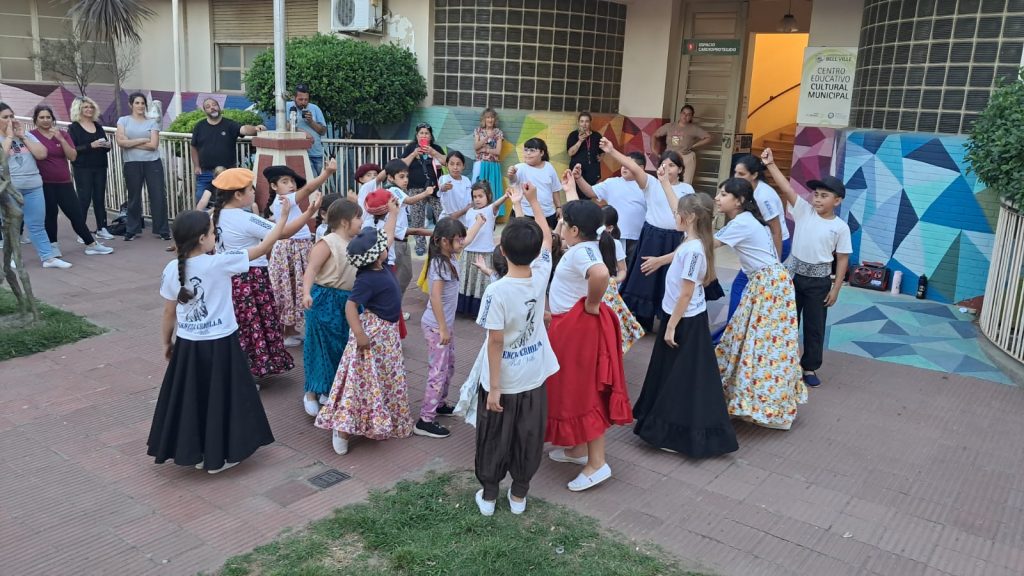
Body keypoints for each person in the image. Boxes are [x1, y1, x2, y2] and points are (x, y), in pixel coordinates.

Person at [148, 202, 292, 473]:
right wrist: (282, 218)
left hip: (188, 346)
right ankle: (222, 456)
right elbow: (263, 247)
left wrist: (167, 343)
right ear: (203, 238)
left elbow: (169, 312)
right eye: (214, 232)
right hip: (222, 344)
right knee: (225, 397)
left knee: (195, 398)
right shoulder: (220, 262)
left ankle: (201, 452)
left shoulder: (171, 269)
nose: (216, 236)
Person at [456, 184, 559, 516]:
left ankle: (489, 495)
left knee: (495, 436)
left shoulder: (496, 291)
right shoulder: (541, 273)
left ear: (501, 251)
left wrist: (495, 388)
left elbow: (496, 341)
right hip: (534, 374)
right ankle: (519, 494)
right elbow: (546, 238)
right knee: (528, 435)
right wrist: (531, 203)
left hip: (503, 380)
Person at [545, 172, 632, 492]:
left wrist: (593, 303)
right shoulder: (588, 242)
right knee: (577, 388)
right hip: (577, 326)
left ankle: (597, 463)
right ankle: (579, 449)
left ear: (573, 230)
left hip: (576, 328)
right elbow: (580, 218)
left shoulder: (582, 252)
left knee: (583, 391)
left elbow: (600, 274)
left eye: (562, 222)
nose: (560, 226)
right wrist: (571, 190)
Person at [633, 193, 738, 457]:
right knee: (672, 374)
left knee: (681, 379)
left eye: (677, 213)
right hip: (679, 316)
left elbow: (686, 293)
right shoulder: (691, 241)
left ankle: (675, 434)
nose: (674, 216)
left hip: (685, 321)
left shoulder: (694, 249)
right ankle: (661, 425)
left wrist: (671, 326)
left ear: (689, 217)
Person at [315, 203, 414, 455]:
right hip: (373, 334)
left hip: (388, 334)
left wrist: (393, 214)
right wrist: (360, 334)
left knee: (385, 377)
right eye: (383, 247)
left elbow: (388, 236)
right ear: (376, 254)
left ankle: (382, 418)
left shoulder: (381, 265)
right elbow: (351, 306)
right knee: (362, 381)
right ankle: (342, 429)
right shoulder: (367, 278)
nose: (387, 247)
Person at [713, 178, 805, 430]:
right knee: (752, 341)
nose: (718, 198)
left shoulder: (742, 222)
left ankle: (767, 408)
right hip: (769, 283)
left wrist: (668, 255)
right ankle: (750, 402)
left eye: (724, 194)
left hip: (769, 286)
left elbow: (709, 245)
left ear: (739, 201)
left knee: (763, 346)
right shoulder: (748, 220)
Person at [211, 167, 319, 379]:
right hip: (251, 278)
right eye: (250, 189)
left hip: (226, 277)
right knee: (254, 325)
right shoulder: (245, 219)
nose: (254, 192)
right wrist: (308, 213)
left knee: (238, 325)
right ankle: (250, 371)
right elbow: (283, 232)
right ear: (238, 194)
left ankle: (237, 371)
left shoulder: (215, 215)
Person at [763, 148, 851, 388]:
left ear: (837, 201)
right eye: (816, 194)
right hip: (792, 277)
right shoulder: (803, 211)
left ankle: (809, 367)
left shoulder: (840, 227)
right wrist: (771, 164)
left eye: (824, 196)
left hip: (818, 283)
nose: (818, 199)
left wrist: (836, 288)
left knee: (814, 327)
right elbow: (787, 189)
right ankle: (782, 362)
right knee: (787, 321)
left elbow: (842, 259)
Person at [611, 143, 694, 333]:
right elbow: (632, 167)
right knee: (645, 277)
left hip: (675, 238)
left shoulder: (687, 189)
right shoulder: (651, 183)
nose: (667, 168)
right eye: (663, 164)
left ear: (680, 169)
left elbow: (689, 216)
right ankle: (643, 319)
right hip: (652, 237)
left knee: (670, 278)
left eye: (672, 165)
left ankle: (667, 318)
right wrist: (611, 151)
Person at [711, 154, 791, 342]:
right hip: (769, 267)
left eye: (742, 174)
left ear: (754, 175)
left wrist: (776, 262)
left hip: (777, 248)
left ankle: (731, 335)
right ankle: (734, 334)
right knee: (747, 293)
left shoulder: (762, 196)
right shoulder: (747, 208)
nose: (736, 177)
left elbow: (776, 230)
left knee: (742, 289)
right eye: (735, 173)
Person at [415, 216, 481, 439]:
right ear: (444, 241)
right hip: (437, 326)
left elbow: (467, 240)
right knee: (438, 372)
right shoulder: (440, 264)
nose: (462, 242)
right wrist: (443, 328)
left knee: (448, 367)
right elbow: (434, 297)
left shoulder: (450, 255)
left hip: (443, 325)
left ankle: (439, 404)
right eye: (458, 239)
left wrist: (480, 222)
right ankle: (425, 420)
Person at [264, 159, 337, 347]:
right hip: (291, 250)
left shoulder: (285, 201)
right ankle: (286, 331)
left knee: (294, 288)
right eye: (285, 181)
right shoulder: (284, 200)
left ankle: (291, 330)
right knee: (290, 288)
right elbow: (308, 189)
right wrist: (326, 173)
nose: (291, 185)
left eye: (292, 181)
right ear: (274, 186)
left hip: (298, 248)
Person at [301, 198, 362, 416]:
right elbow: (311, 269)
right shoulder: (327, 242)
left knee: (342, 347)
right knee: (319, 346)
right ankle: (311, 391)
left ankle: (329, 388)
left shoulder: (357, 242)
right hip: (325, 298)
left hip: (349, 301)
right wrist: (306, 293)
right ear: (345, 221)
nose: (361, 222)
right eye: (358, 217)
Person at [30, 105, 114, 259]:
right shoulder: (31, 136)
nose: (45, 120)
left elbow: (72, 156)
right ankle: (53, 245)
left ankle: (91, 244)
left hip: (64, 181)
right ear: (35, 119)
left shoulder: (62, 134)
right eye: (41, 117)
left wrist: (61, 139)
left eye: (48, 117)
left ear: (53, 119)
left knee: (75, 214)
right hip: (44, 182)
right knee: (50, 215)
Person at [0, 102, 70, 269]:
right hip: (10, 188)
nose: (10, 120)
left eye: (11, 116)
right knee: (12, 226)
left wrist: (22, 136)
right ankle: (14, 258)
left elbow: (42, 154)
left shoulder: (24, 134)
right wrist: (9, 137)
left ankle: (48, 258)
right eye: (5, 117)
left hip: (33, 186)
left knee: (37, 224)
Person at [572, 151, 647, 266]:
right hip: (613, 237)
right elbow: (590, 191)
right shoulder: (612, 183)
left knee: (632, 269)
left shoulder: (647, 186)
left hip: (638, 237)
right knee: (614, 268)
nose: (624, 168)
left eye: (628, 165)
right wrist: (579, 178)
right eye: (623, 164)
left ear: (640, 168)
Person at [116, 92, 170, 242]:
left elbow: (153, 145)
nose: (140, 106)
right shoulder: (123, 120)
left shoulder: (152, 122)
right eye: (137, 103)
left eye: (142, 103)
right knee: (134, 197)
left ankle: (162, 230)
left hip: (152, 163)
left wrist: (130, 142)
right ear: (131, 104)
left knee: (158, 196)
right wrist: (142, 139)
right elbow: (120, 142)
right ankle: (132, 230)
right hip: (131, 163)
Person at [190, 97, 265, 202]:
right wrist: (196, 166)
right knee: (200, 200)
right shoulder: (199, 126)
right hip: (205, 173)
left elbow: (243, 129)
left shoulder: (229, 124)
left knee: (227, 201)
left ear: (219, 107)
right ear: (205, 111)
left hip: (227, 172)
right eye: (208, 106)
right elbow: (193, 146)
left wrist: (255, 128)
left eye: (214, 105)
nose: (212, 108)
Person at [599, 205, 645, 353]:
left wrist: (614, 280)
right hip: (591, 288)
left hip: (608, 293)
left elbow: (623, 270)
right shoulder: (589, 241)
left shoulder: (615, 244)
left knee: (609, 324)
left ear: (610, 228)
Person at [456, 181, 506, 316]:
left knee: (481, 282)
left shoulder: (490, 210)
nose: (477, 199)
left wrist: (506, 196)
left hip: (484, 253)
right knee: (467, 281)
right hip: (468, 252)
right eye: (475, 196)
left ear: (488, 196)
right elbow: (467, 231)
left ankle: (479, 310)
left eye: (480, 196)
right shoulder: (469, 212)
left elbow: (497, 204)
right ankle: (464, 308)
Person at [68, 96, 114, 240]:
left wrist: (107, 145)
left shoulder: (98, 126)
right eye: (85, 107)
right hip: (82, 167)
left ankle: (102, 227)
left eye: (91, 107)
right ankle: (81, 232)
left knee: (99, 198)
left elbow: (106, 146)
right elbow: (72, 149)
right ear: (78, 109)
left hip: (100, 166)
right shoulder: (73, 128)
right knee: (84, 199)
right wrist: (90, 146)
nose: (89, 109)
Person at [402, 122, 446, 255]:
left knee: (441, 215)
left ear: (431, 136)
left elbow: (446, 162)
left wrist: (433, 152)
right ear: (417, 136)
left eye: (427, 133)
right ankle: (420, 244)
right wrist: (413, 154)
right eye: (421, 133)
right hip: (415, 188)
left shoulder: (436, 148)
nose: (424, 135)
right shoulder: (411, 148)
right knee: (417, 218)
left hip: (434, 188)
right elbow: (401, 165)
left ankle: (440, 242)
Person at [506, 137, 562, 230]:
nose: (528, 153)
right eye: (526, 150)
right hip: (525, 214)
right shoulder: (519, 168)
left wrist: (558, 207)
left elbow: (555, 189)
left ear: (542, 153)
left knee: (548, 238)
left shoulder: (549, 167)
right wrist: (511, 174)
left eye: (532, 150)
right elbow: (513, 181)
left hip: (547, 214)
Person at [652, 105, 712, 185]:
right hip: (670, 156)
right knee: (665, 181)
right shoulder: (670, 126)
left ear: (691, 117)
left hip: (686, 157)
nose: (685, 116)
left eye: (688, 114)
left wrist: (694, 145)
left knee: (685, 183)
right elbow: (655, 135)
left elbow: (708, 137)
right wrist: (654, 150)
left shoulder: (693, 128)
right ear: (680, 114)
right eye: (684, 113)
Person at [285, 84, 327, 176]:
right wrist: (304, 133)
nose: (303, 102)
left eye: (306, 100)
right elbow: (285, 126)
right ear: (294, 98)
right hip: (299, 152)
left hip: (316, 152)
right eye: (300, 99)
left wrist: (311, 121)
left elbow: (323, 131)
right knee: (311, 179)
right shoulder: (287, 106)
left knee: (319, 181)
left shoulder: (315, 108)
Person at [471, 108, 505, 217]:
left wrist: (484, 149)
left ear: (495, 119)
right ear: (484, 119)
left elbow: (498, 151)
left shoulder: (498, 132)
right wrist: (486, 138)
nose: (490, 120)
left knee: (492, 188)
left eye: (492, 117)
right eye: (488, 117)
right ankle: (478, 213)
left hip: (493, 164)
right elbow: (476, 147)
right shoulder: (478, 131)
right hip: (480, 163)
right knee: (479, 187)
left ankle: (492, 215)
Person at [567, 111, 603, 186]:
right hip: (577, 171)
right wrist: (580, 141)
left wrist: (601, 156)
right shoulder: (573, 135)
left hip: (592, 172)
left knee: (591, 192)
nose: (584, 124)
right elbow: (570, 153)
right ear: (578, 123)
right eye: (582, 121)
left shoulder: (597, 136)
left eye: (587, 121)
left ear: (590, 123)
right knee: (576, 192)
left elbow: (602, 151)